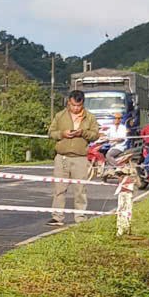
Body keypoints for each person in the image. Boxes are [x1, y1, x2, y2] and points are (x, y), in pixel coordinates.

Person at [47, 90, 99, 226]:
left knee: (80, 189)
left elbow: (95, 134)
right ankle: (57, 216)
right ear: (68, 103)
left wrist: (83, 133)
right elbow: (51, 132)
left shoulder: (90, 117)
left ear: (82, 104)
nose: (75, 109)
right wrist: (62, 134)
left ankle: (80, 216)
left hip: (80, 157)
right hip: (62, 157)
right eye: (73, 105)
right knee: (59, 188)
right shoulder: (60, 116)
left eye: (78, 106)